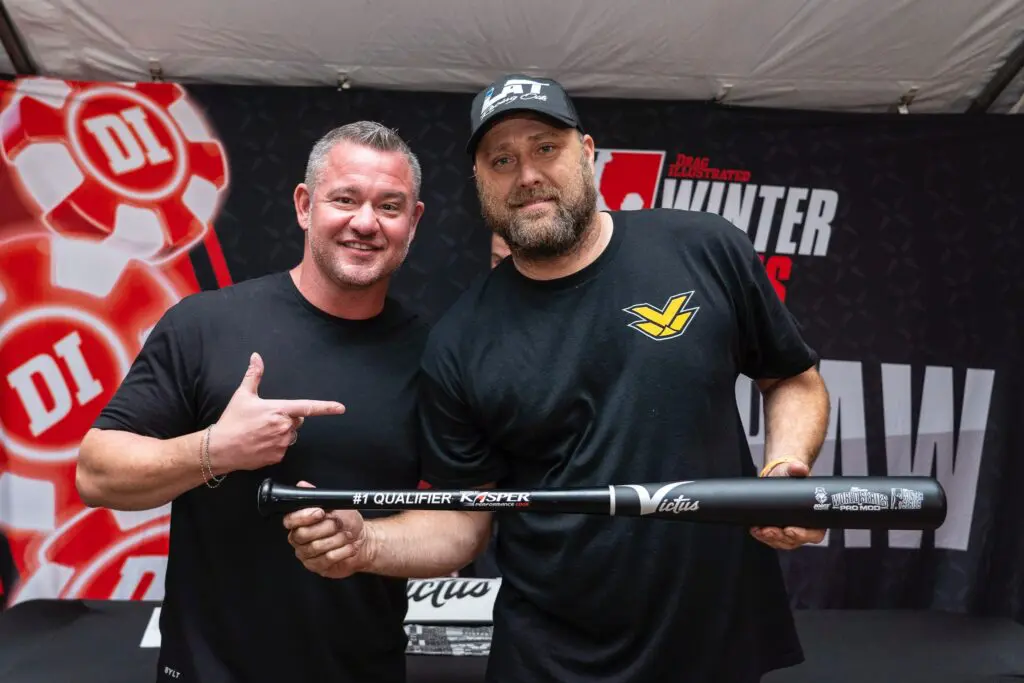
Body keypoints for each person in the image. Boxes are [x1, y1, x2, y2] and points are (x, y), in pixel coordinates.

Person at [284, 75, 831, 683]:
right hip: (553, 661)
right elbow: (462, 520)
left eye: (546, 147)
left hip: (715, 642)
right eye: (501, 160)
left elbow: (792, 377)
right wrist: (365, 545)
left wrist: (785, 473)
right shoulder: (460, 341)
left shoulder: (703, 248)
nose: (527, 174)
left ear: (588, 152)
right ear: (479, 181)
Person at [76, 121, 429, 683]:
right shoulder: (204, 324)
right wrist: (216, 449)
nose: (366, 223)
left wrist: (368, 543)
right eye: (345, 199)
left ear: (413, 222)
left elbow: (462, 526)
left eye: (390, 206)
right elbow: (96, 474)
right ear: (304, 206)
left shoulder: (434, 355)